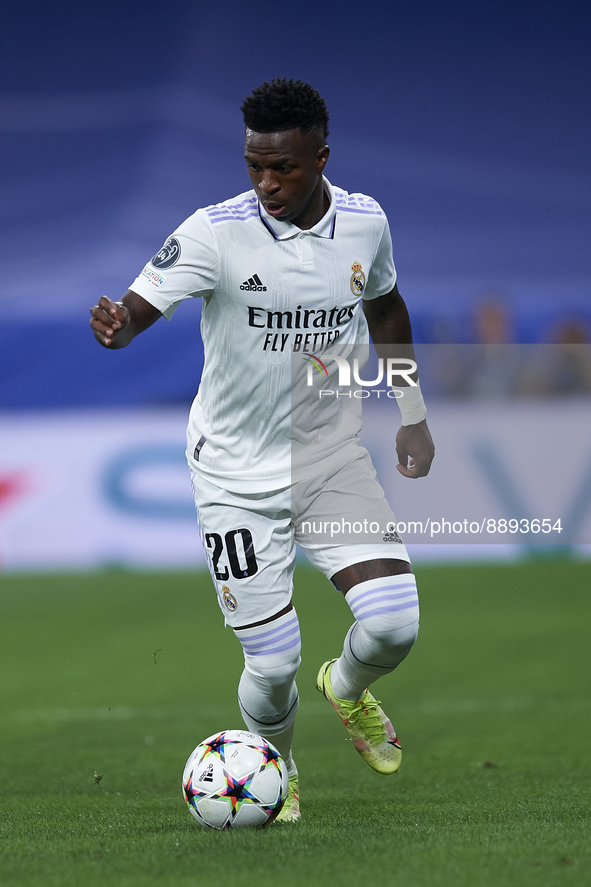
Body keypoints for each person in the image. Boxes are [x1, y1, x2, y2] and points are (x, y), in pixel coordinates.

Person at [90, 78, 434, 823]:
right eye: (254, 167)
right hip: (233, 474)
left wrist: (411, 410)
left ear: (320, 156)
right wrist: (118, 327)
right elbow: (139, 309)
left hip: (330, 458)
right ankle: (273, 770)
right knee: (271, 664)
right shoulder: (215, 231)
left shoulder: (366, 222)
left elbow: (385, 305)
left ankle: (343, 687)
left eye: (283, 168)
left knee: (393, 624)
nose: (266, 184)